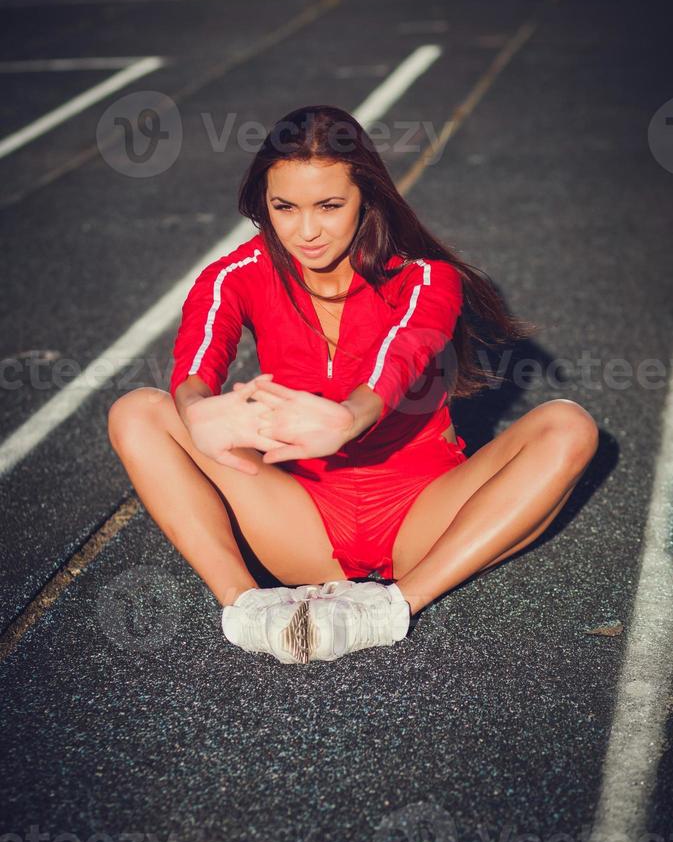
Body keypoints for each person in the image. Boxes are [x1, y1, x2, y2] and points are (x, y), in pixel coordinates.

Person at [107, 105, 599, 665]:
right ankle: (244, 605)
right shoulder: (233, 275)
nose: (306, 230)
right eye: (284, 207)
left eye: (329, 206)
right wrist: (195, 408)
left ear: (366, 196)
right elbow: (198, 357)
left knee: (568, 425)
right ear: (263, 205)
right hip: (302, 523)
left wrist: (350, 417)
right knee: (138, 411)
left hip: (425, 521)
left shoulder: (426, 277)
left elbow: (408, 347)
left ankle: (392, 608)